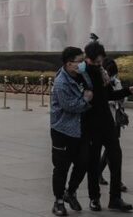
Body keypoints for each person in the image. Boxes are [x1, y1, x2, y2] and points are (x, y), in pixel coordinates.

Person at [82, 41, 133, 212]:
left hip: (107, 123)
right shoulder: (82, 75)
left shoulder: (102, 73)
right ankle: (94, 198)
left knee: (116, 159)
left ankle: (115, 198)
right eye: (96, 62)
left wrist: (129, 90)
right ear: (88, 59)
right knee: (93, 163)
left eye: (101, 62)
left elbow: (109, 96)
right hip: (91, 126)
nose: (100, 65)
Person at [50, 46, 93, 217]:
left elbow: (91, 85)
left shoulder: (81, 75)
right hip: (63, 131)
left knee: (83, 163)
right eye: (80, 61)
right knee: (61, 168)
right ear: (69, 64)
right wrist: (86, 99)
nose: (83, 64)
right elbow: (71, 106)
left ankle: (71, 192)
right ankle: (58, 201)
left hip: (80, 129)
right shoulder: (61, 83)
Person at [98, 58, 129, 191]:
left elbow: (122, 98)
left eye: (114, 73)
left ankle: (98, 173)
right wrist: (111, 99)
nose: (112, 76)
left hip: (115, 121)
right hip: (103, 121)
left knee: (112, 150)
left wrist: (120, 99)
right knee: (112, 151)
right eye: (110, 73)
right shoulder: (99, 82)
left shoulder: (116, 82)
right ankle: (116, 181)